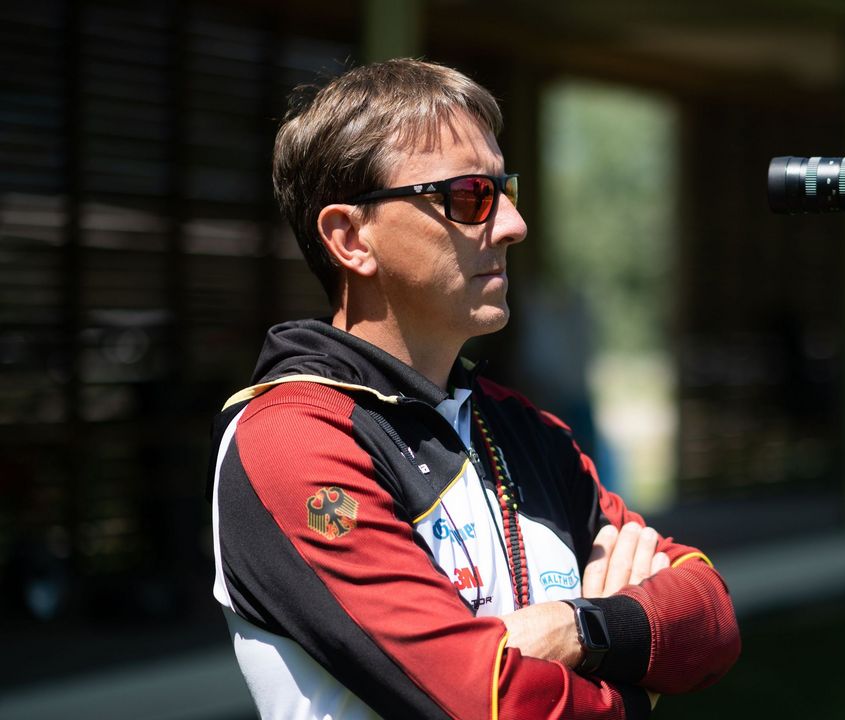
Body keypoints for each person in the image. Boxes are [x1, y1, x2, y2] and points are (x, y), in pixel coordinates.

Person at [207, 58, 740, 719]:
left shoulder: (527, 431)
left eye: (504, 190)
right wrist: (637, 682)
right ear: (350, 238)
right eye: (468, 197)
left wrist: (581, 628)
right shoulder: (291, 440)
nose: (513, 225)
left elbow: (712, 613)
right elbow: (485, 702)